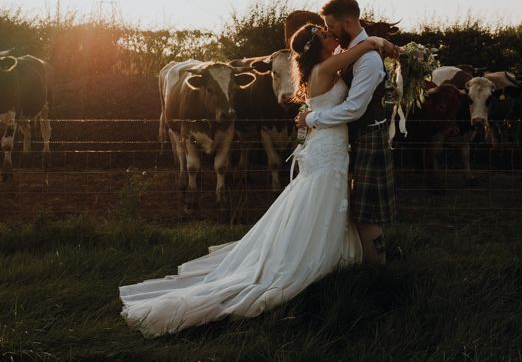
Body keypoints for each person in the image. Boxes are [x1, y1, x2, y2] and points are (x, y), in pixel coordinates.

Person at [119, 24, 398, 338]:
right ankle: (311, 262)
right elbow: (359, 51)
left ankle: (330, 255)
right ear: (315, 47)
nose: (331, 36)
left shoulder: (326, 68)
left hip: (330, 148)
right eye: (324, 35)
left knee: (325, 203)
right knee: (321, 199)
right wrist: (377, 41)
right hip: (327, 151)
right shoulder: (323, 69)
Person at [296, 0, 400, 264]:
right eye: (324, 30)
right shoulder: (345, 53)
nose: (328, 31)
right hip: (340, 141)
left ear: (349, 21)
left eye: (330, 26)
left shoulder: (367, 60)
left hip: (366, 137)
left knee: (366, 212)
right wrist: (375, 41)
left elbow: (354, 109)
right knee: (351, 208)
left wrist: (311, 119)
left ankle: (378, 270)